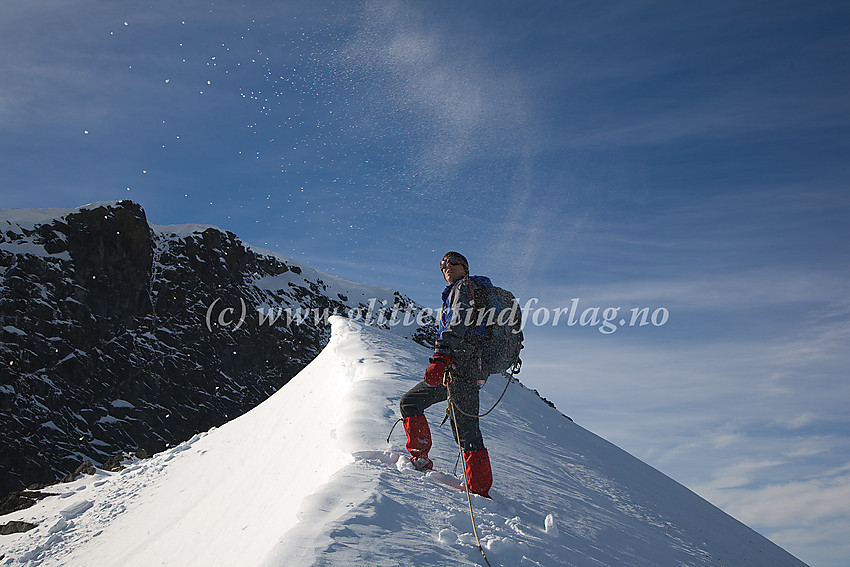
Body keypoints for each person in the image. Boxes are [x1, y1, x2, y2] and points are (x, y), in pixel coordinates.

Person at [399, 251, 493, 498]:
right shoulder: (463, 290)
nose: (447, 267)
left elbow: (458, 323)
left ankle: (479, 491)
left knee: (466, 430)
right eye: (443, 265)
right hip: (460, 367)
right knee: (413, 403)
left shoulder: (464, 287)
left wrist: (440, 358)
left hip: (461, 367)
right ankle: (421, 460)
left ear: (465, 267)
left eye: (453, 262)